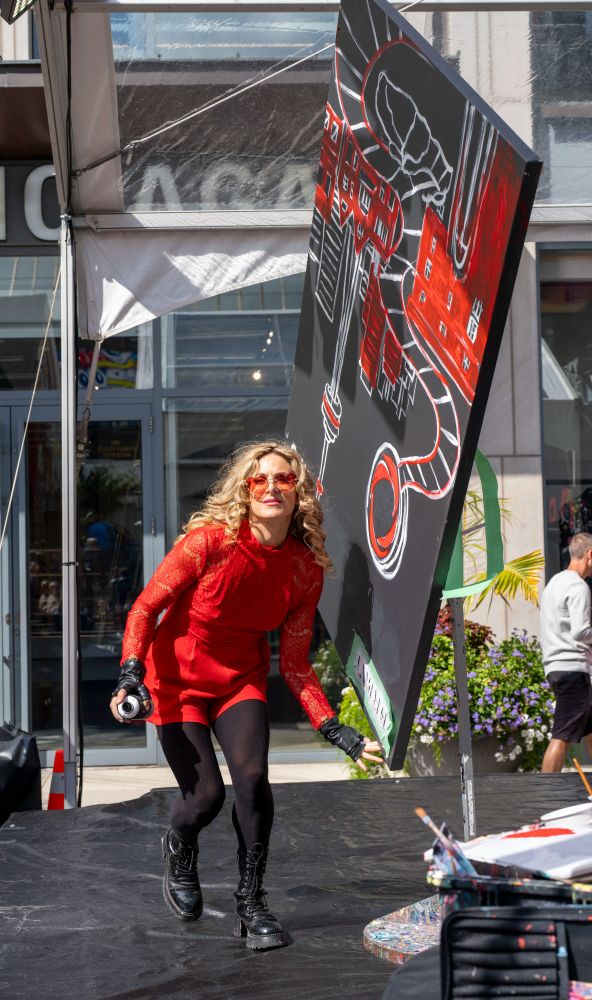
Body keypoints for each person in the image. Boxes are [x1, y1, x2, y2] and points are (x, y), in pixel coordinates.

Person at [110, 439, 382, 950]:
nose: (272, 487)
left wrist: (334, 729)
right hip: (177, 680)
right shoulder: (208, 543)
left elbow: (296, 664)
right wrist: (130, 674)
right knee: (206, 797)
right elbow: (145, 608)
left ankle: (252, 902)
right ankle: (180, 842)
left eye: (284, 479)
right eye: (260, 479)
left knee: (253, 779)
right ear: (245, 488)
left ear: (299, 492)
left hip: (239, 679)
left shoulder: (304, 568)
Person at [540, 532, 592, 773]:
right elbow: (581, 631)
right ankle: (546, 797)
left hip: (558, 667)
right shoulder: (578, 587)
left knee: (590, 726)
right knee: (561, 735)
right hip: (573, 669)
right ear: (590, 555)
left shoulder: (554, 583)